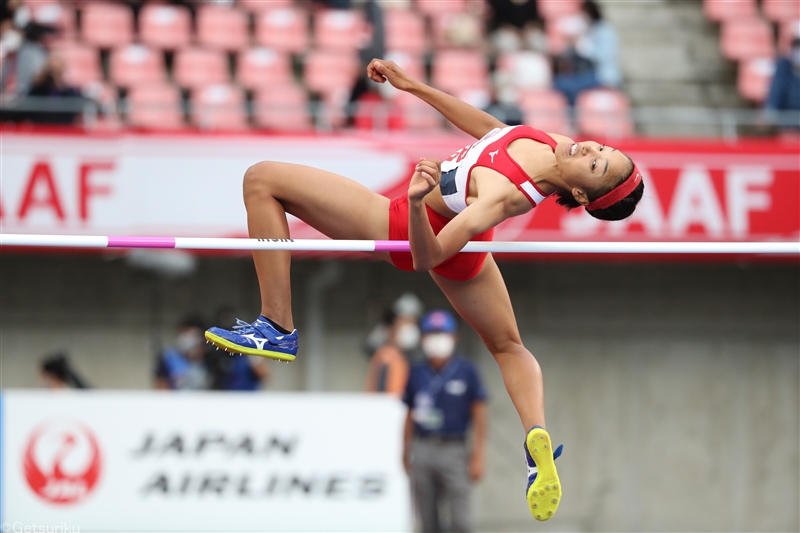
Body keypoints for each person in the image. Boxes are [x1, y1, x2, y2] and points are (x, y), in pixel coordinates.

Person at [205, 56, 644, 521]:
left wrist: (415, 202)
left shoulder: (502, 197)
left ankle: (277, 324)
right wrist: (412, 85)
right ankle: (536, 442)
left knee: (262, 179)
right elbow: (493, 131)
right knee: (508, 346)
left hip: (413, 228)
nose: (590, 149)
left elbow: (427, 258)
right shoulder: (560, 145)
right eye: (603, 149)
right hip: (466, 245)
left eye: (596, 165)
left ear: (579, 196)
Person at [402, 309, 487, 533]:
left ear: (454, 337)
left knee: (461, 521)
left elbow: (480, 414)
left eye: (443, 334)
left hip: (455, 450)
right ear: (422, 339)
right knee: (427, 520)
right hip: (423, 447)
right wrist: (405, 450)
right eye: (432, 334)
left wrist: (478, 456)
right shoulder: (416, 372)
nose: (437, 340)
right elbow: (409, 415)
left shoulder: (466, 370)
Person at [553, 0, 622, 107]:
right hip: (589, 73)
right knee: (561, 83)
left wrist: (580, 45)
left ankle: (573, 116)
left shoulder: (605, 30)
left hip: (603, 76)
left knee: (566, 85)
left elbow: (604, 56)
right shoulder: (589, 30)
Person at [364, 304, 420, 396]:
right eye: (406, 322)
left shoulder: (401, 356)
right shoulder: (388, 355)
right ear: (391, 328)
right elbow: (382, 393)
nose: (410, 328)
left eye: (413, 323)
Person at [155, 316, 212, 391]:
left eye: (193, 335)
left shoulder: (211, 360)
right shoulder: (168, 357)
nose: (188, 340)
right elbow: (161, 386)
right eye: (185, 334)